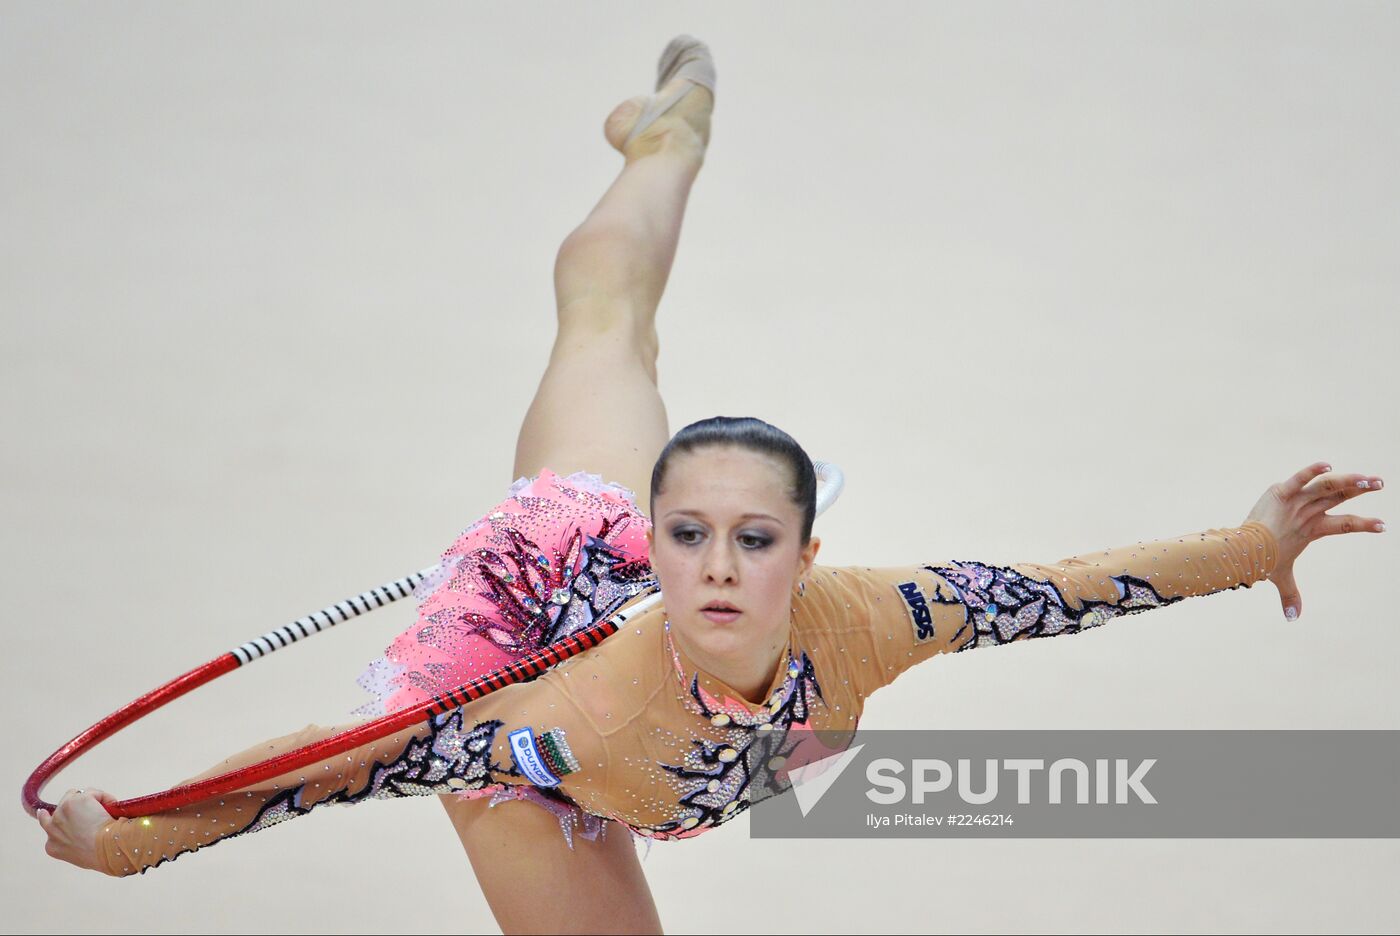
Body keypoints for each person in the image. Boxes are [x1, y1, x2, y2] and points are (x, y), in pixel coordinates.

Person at [35, 33, 1386, 936]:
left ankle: (660, 160)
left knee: (622, 333)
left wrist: (1252, 543)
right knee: (601, 310)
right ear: (664, 550)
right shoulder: (566, 707)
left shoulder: (877, 614)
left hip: (690, 691)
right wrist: (131, 840)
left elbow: (1061, 590)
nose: (725, 565)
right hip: (537, 680)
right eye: (694, 537)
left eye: (755, 537)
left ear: (806, 550)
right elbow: (331, 768)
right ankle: (665, 149)